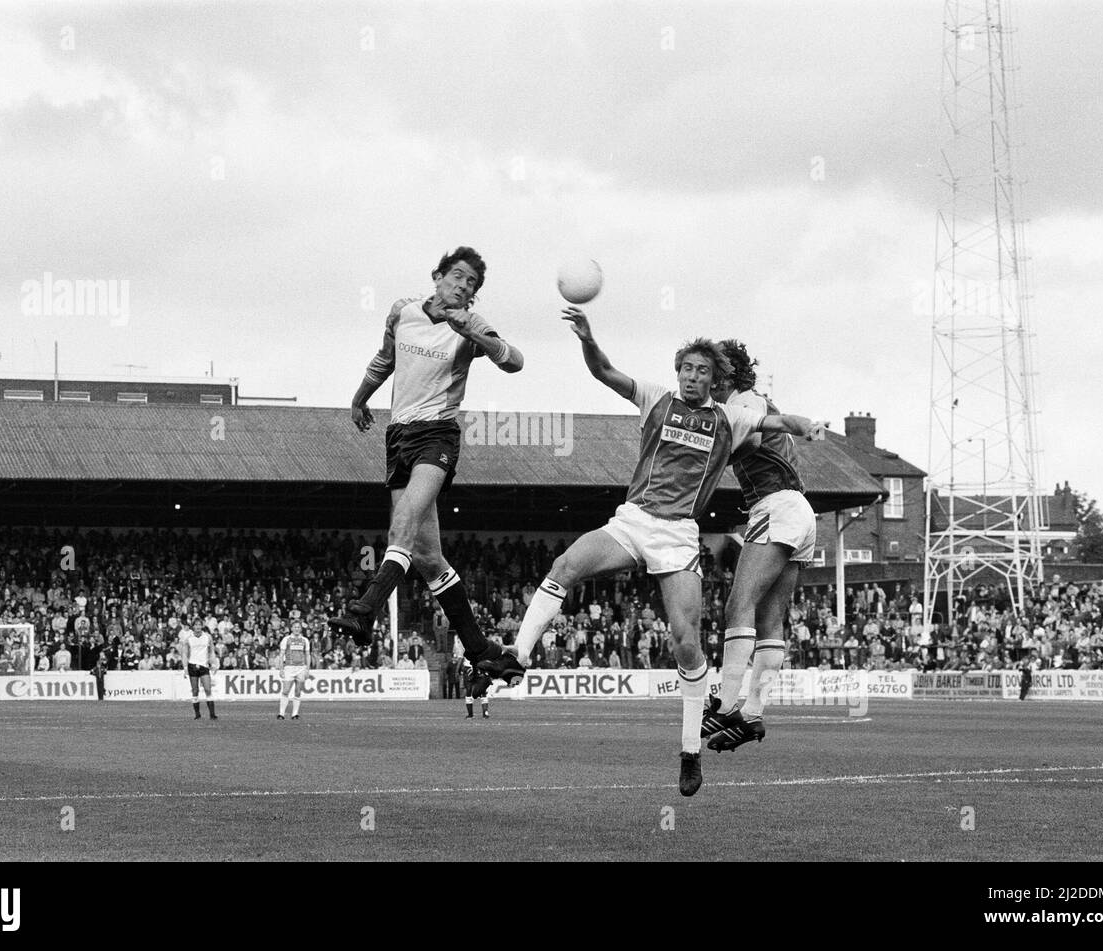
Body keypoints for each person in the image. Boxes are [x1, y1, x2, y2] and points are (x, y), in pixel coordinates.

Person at [480, 306, 825, 796]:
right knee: (565, 565)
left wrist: (806, 423)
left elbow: (779, 419)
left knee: (686, 642)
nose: (692, 377)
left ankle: (691, 753)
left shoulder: (732, 415)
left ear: (714, 379)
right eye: (686, 368)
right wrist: (587, 336)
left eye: (703, 371)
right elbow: (604, 371)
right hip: (633, 521)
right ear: (677, 372)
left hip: (679, 535)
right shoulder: (656, 398)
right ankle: (518, 654)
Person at [328, 247, 523, 679]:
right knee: (428, 558)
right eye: (457, 276)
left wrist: (475, 335)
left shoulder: (471, 324)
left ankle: (365, 610)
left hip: (437, 435)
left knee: (405, 523)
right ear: (437, 277)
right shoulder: (403, 312)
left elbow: (514, 361)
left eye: (471, 283)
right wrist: (360, 398)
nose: (463, 285)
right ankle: (482, 650)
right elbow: (385, 360)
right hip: (399, 435)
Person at [702, 340, 819, 754]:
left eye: (712, 372)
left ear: (727, 374)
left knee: (739, 605)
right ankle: (751, 713)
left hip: (774, 506)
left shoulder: (744, 402)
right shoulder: (760, 399)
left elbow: (749, 442)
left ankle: (725, 703)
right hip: (799, 512)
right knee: (770, 620)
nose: (706, 381)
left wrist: (715, 451)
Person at [179, 623, 218, 720]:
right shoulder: (188, 638)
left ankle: (212, 714)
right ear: (193, 627)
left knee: (208, 689)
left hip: (204, 665)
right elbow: (184, 653)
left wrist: (213, 663)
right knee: (195, 690)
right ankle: (197, 715)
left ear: (201, 626)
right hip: (192, 665)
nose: (198, 627)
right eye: (196, 625)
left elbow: (212, 651)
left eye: (199, 625)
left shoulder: (207, 637)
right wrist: (185, 668)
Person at [277, 620, 313, 720]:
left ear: (301, 629)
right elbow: (281, 655)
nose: (297, 629)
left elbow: (307, 655)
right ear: (291, 628)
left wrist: (307, 669)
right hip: (289, 667)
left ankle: (295, 714)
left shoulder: (305, 640)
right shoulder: (286, 639)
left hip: (301, 668)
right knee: (286, 690)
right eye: (295, 627)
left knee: (298, 691)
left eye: (298, 627)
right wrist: (281, 669)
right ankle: (281, 713)